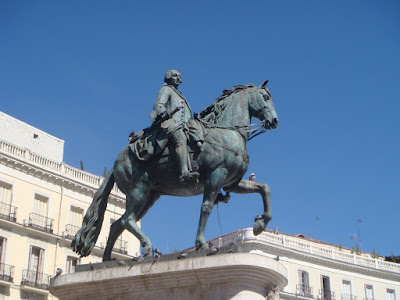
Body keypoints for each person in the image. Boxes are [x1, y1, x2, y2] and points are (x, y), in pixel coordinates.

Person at [149, 70, 199, 182]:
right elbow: (159, 105)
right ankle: (184, 172)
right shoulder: (166, 89)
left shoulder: (180, 95)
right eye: (175, 76)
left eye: (179, 76)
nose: (178, 78)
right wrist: (163, 112)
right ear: (168, 77)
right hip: (171, 124)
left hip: (186, 125)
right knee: (180, 139)